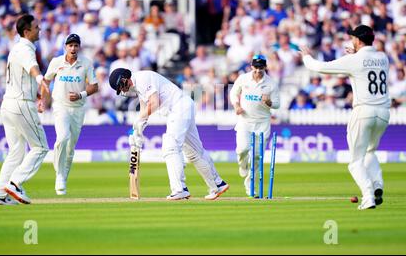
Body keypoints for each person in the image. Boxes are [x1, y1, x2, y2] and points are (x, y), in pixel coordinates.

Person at [300, 25, 390, 210]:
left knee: (356, 161)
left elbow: (320, 67)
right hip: (383, 113)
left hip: (364, 111)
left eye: (353, 39)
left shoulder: (354, 60)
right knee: (370, 152)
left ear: (357, 40)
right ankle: (377, 186)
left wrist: (306, 56)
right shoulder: (383, 58)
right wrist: (353, 56)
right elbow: (365, 63)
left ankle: (368, 197)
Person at [108, 68, 229, 200]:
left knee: (170, 148)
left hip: (178, 108)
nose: (123, 90)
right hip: (182, 108)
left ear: (125, 78)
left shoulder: (142, 79)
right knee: (194, 151)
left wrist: (137, 121)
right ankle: (218, 184)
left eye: (121, 86)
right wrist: (137, 131)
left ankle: (179, 189)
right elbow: (144, 110)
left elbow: (154, 103)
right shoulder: (138, 87)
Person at [0, 14, 50, 205]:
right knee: (40, 147)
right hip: (20, 104)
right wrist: (41, 81)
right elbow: (32, 69)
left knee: (16, 151)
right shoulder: (25, 48)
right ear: (27, 31)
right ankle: (15, 184)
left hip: (8, 104)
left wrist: (38, 94)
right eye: (36, 27)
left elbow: (22, 75)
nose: (39, 29)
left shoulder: (17, 48)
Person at [43, 34, 98, 195]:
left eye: (75, 45)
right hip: (60, 106)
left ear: (79, 47)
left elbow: (94, 86)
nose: (73, 48)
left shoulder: (86, 63)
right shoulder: (56, 62)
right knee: (62, 138)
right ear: (65, 47)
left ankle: (63, 179)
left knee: (70, 147)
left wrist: (81, 94)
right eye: (70, 45)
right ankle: (59, 175)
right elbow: (46, 81)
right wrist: (42, 101)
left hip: (78, 109)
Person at [229, 54, 280, 196]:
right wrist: (237, 105)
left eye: (261, 67)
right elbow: (234, 93)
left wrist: (269, 102)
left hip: (263, 123)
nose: (258, 70)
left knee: (258, 157)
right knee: (242, 149)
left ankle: (250, 187)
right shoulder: (243, 78)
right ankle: (243, 164)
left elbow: (277, 104)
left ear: (265, 67)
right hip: (245, 121)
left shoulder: (271, 83)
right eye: (256, 67)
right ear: (252, 66)